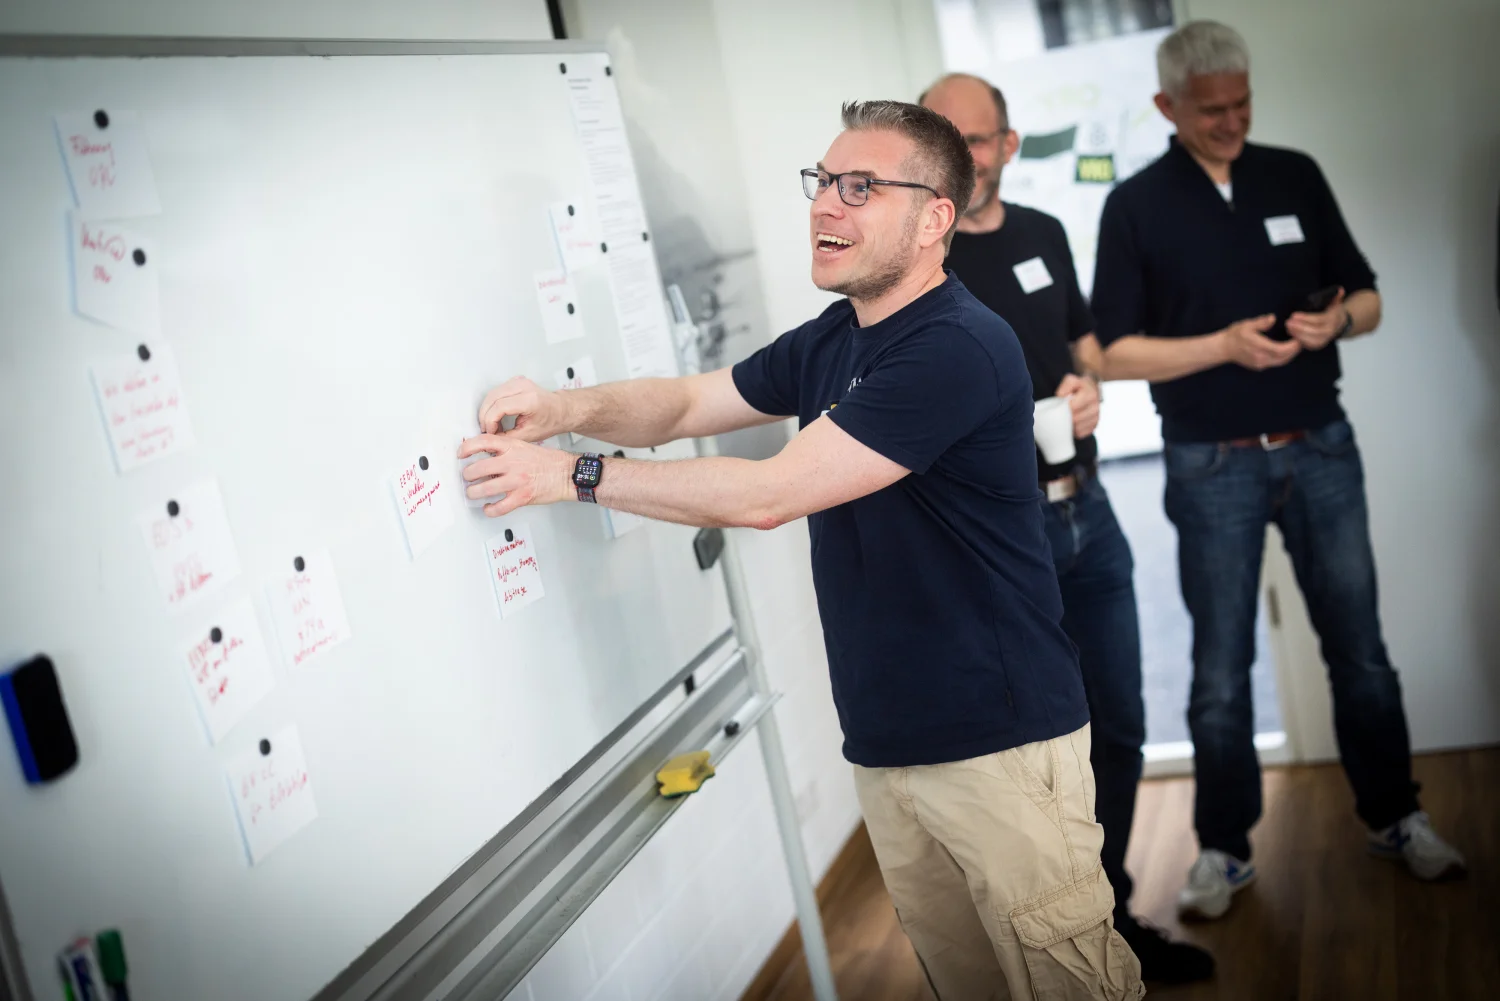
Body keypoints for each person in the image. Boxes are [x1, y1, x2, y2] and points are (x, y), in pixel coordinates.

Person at [458, 100, 1143, 1000]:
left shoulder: (958, 347)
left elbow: (767, 494)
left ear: (936, 217)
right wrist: (564, 408)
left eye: (862, 187)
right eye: (823, 182)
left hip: (1001, 750)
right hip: (889, 746)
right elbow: (688, 405)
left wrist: (569, 476)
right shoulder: (838, 337)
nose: (826, 205)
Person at [1091, 20, 1467, 923]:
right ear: (1165, 107)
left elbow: (1369, 295)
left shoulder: (1293, 172)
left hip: (1322, 448)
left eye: (1243, 102)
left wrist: (1336, 325)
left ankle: (1396, 814)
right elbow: (1110, 352)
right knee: (1221, 670)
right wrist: (1219, 346)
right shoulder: (1136, 205)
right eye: (1211, 109)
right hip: (1209, 465)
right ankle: (1224, 847)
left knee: (1362, 652)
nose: (1231, 121)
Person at [922, 72, 1214, 983]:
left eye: (979, 139)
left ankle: (1112, 916)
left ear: (1009, 146)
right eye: (946, 137)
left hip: (1088, 511)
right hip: (995, 538)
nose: (965, 155)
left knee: (1120, 722)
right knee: (1030, 752)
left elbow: (1084, 352)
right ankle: (1052, 945)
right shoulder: (917, 261)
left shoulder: (1046, 234)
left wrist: (1088, 387)